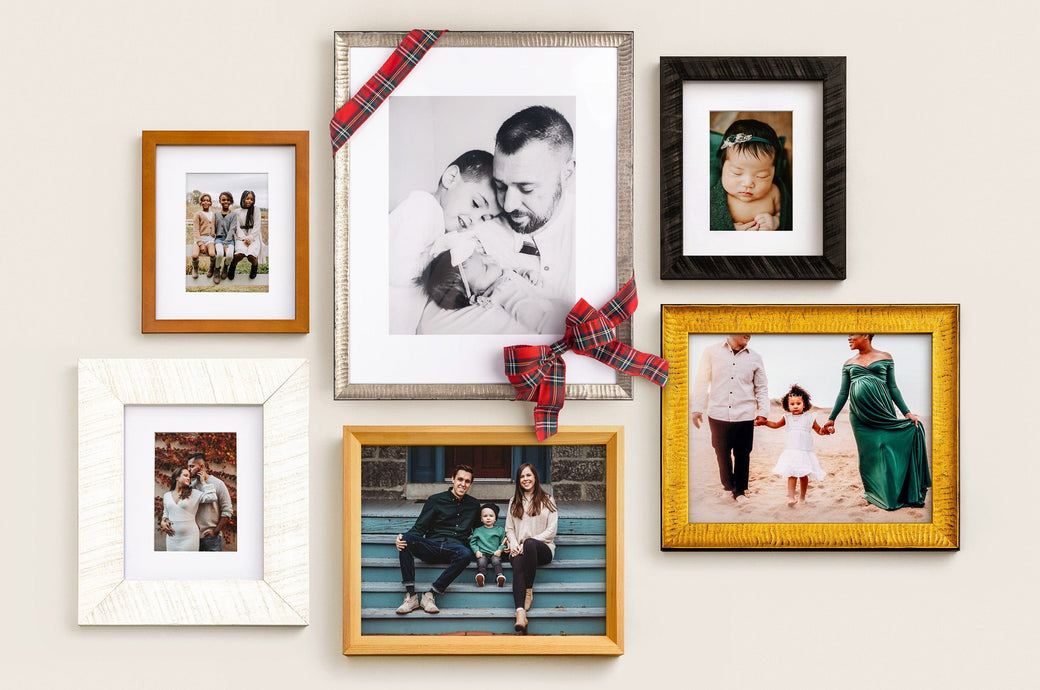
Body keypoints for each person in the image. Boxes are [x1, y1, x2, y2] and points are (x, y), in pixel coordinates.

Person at [387, 150, 505, 334]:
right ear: (451, 178)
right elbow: (394, 268)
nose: (475, 219)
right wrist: (441, 264)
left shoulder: (441, 224)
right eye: (475, 203)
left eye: (485, 217)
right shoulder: (423, 207)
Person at [822, 335, 931, 510]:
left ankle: (896, 493)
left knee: (887, 452)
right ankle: (873, 493)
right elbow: (843, 393)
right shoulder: (848, 363)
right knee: (869, 456)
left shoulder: (885, 357)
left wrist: (907, 412)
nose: (849, 337)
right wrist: (831, 418)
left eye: (852, 334)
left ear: (866, 334)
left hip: (883, 412)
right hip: (860, 417)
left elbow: (893, 387)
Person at [491, 105, 576, 306]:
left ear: (567, 174)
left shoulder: (600, 236)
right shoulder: (482, 237)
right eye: (500, 186)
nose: (509, 206)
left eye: (526, 188)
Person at [691, 335, 770, 504]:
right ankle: (728, 488)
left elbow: (761, 387)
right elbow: (701, 381)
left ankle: (740, 491)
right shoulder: (711, 352)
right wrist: (697, 408)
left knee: (743, 454)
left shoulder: (755, 357)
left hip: (745, 414)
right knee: (721, 452)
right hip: (717, 412)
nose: (748, 333)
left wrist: (763, 411)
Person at [394, 465, 482, 615]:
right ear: (453, 479)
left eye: (467, 481)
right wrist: (402, 538)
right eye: (460, 479)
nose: (463, 484)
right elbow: (419, 528)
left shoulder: (474, 505)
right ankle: (411, 596)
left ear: (471, 484)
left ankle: (431, 595)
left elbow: (480, 532)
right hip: (432, 546)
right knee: (406, 539)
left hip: (454, 550)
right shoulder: (435, 500)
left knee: (465, 554)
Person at [418, 246, 556, 334]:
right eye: (485, 266)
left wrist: (524, 273)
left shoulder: (497, 276)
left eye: (482, 254)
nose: (490, 258)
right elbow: (535, 317)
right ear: (476, 298)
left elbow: (511, 272)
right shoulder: (503, 292)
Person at [710, 119, 791, 232]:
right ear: (723, 166)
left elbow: (788, 216)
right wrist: (730, 230)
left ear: (773, 172)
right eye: (736, 173)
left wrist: (776, 221)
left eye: (762, 176)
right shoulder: (715, 198)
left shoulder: (774, 193)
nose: (748, 183)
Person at [505, 463, 557, 634]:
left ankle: (529, 589)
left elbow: (551, 530)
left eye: (529, 475)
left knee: (529, 544)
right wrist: (514, 545)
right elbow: (509, 529)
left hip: (542, 548)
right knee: (518, 560)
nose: (525, 479)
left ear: (535, 477)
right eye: (522, 476)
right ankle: (520, 614)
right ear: (518, 481)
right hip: (518, 549)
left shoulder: (547, 499)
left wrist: (525, 543)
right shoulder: (514, 501)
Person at [761, 384, 828, 506]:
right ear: (787, 405)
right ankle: (791, 497)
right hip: (792, 451)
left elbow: (819, 431)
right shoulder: (787, 417)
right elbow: (775, 425)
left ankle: (802, 497)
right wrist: (764, 422)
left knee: (803, 475)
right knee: (791, 474)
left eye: (798, 403)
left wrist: (825, 431)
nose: (795, 406)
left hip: (805, 451)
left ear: (805, 404)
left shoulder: (809, 418)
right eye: (792, 404)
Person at [159, 453, 234, 551]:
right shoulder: (190, 486)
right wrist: (164, 521)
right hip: (193, 536)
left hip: (210, 537)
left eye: (191, 466)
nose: (189, 469)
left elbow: (227, 511)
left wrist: (215, 532)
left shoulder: (218, 484)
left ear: (202, 466)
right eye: (188, 466)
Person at [159, 467, 217, 552]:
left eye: (189, 477)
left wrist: (203, 482)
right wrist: (163, 522)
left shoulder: (194, 493)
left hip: (189, 538)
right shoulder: (167, 495)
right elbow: (166, 513)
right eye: (185, 475)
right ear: (177, 477)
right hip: (172, 538)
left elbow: (212, 497)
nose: (188, 478)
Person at [470, 503, 508, 587]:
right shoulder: (478, 530)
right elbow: (473, 542)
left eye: (491, 516)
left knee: (496, 561)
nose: (488, 518)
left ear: (495, 519)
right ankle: (481, 576)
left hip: (495, 553)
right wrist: (476, 551)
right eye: (485, 516)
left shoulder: (500, 530)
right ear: (481, 519)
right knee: (481, 561)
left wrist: (500, 550)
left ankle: (499, 576)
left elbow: (504, 542)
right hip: (482, 553)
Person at [227, 190, 261, 281]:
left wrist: (250, 238)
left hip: (253, 237)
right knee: (239, 254)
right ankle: (233, 266)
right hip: (241, 237)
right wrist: (243, 239)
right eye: (247, 199)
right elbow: (237, 227)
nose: (249, 201)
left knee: (251, 256)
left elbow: (257, 226)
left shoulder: (256, 210)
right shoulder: (237, 211)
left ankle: (254, 266)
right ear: (243, 199)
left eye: (251, 199)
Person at [211, 191, 238, 285]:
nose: (225, 201)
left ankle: (225, 267)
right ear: (220, 201)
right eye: (223, 200)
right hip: (218, 239)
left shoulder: (234, 215)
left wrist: (226, 243)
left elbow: (232, 229)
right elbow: (213, 226)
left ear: (230, 201)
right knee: (219, 254)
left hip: (229, 240)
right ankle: (217, 269)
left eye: (228, 200)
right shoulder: (216, 214)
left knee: (230, 255)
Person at [190, 193, 216, 279]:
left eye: (208, 201)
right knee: (194, 255)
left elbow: (215, 226)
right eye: (204, 200)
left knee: (212, 254)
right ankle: (195, 268)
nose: (206, 202)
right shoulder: (198, 214)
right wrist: (200, 243)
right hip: (199, 238)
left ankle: (211, 267)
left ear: (210, 203)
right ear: (201, 202)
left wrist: (214, 233)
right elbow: (196, 230)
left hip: (210, 239)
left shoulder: (213, 214)